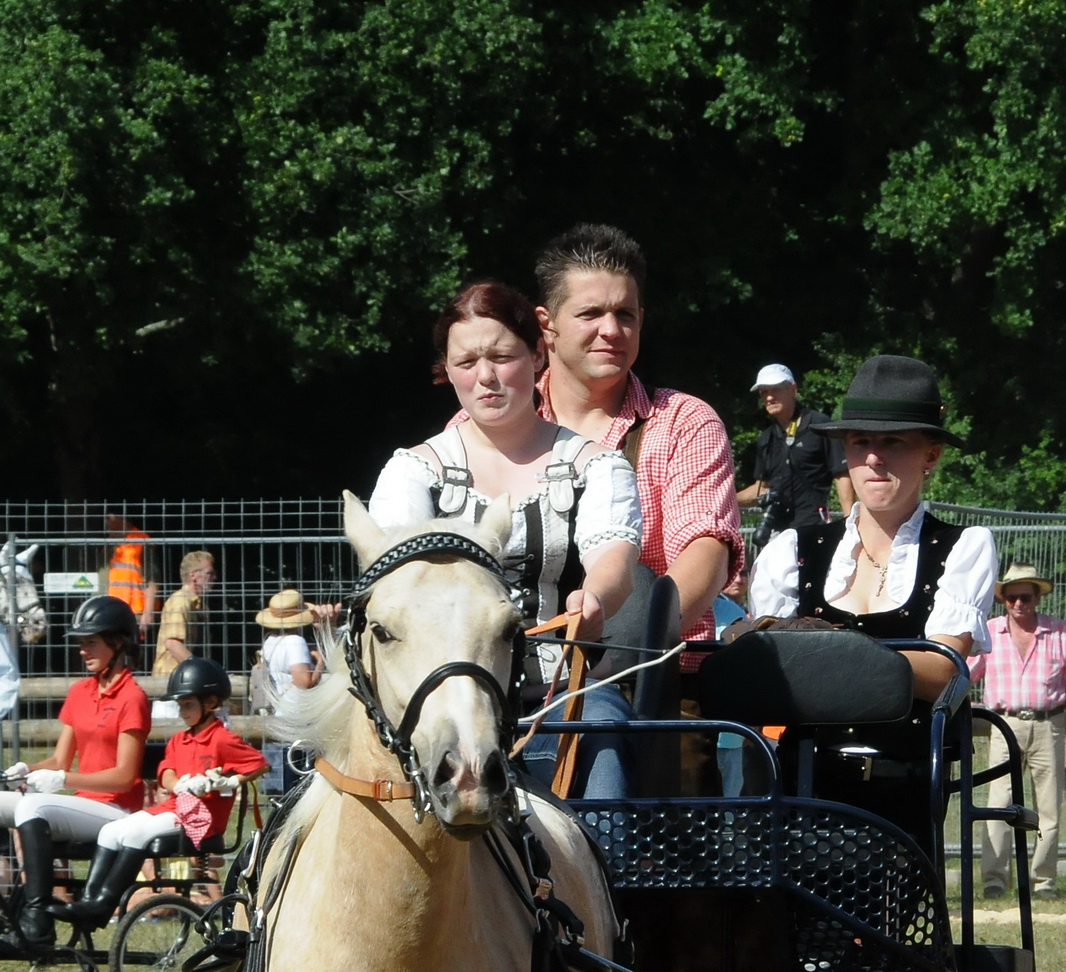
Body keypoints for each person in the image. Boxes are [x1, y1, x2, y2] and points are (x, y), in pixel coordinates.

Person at [369, 279, 641, 796]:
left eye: (501, 355)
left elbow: (615, 559)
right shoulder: (413, 472)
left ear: (539, 354)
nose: (486, 378)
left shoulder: (597, 466)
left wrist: (595, 598)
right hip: (439, 695)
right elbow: (399, 577)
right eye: (466, 363)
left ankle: (609, 873)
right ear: (446, 371)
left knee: (604, 732)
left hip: (559, 695)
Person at [747, 353, 998, 838]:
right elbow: (769, 676)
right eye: (861, 442)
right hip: (798, 791)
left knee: (881, 915)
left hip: (902, 792)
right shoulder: (791, 550)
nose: (874, 458)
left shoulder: (964, 547)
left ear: (931, 454)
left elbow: (942, 670)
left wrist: (815, 654)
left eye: (894, 443)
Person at [532, 224, 743, 648]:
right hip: (510, 685)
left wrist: (628, 651)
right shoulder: (481, 429)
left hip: (653, 683)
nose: (611, 330)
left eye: (625, 314)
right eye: (590, 314)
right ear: (547, 324)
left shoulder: (684, 422)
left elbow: (706, 554)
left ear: (641, 321)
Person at [69, 659, 268, 928]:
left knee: (136, 833)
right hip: (175, 808)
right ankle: (90, 901)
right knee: (111, 831)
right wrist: (180, 785)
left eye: (187, 704)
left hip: (201, 820)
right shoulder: (179, 740)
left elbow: (258, 764)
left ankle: (104, 904)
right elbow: (166, 772)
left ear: (210, 703)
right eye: (180, 705)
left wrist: (229, 782)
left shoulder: (222, 739)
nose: (181, 711)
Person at [0, 595, 150, 951]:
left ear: (118, 642)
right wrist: (23, 770)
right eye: (81, 643)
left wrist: (65, 781)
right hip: (82, 806)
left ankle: (37, 922)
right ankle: (9, 903)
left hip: (116, 813)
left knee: (32, 808)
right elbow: (58, 761)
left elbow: (124, 777)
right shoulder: (80, 691)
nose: (83, 650)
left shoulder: (133, 697)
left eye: (90, 642)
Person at [970, 564, 1066, 899]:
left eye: (1026, 597)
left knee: (1049, 807)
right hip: (1004, 725)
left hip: (1050, 724)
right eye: (1012, 597)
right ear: (1003, 600)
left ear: (1037, 597)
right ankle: (994, 880)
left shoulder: (1059, 632)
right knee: (999, 803)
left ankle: (1044, 882)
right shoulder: (988, 634)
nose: (1019, 604)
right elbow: (965, 672)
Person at [736, 364, 854, 528]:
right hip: (776, 531)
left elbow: (842, 476)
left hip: (813, 526)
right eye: (764, 392)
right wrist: (726, 501)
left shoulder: (820, 426)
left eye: (775, 389)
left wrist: (850, 524)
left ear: (793, 389)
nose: (769, 398)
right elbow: (761, 488)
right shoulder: (766, 438)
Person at [153, 551, 217, 680]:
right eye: (209, 573)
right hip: (170, 680)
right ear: (193, 575)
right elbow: (173, 643)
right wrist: (200, 671)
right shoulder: (180, 601)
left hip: (181, 676)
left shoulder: (196, 604)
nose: (214, 578)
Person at [255, 590, 330, 698]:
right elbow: (304, 684)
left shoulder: (269, 640)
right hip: (298, 709)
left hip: (280, 705)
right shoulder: (296, 642)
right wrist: (320, 662)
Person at [106, 515, 158, 630]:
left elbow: (152, 580)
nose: (106, 521)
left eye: (109, 517)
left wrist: (148, 613)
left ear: (122, 518)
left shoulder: (141, 542)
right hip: (110, 611)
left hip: (135, 613)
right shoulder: (109, 543)